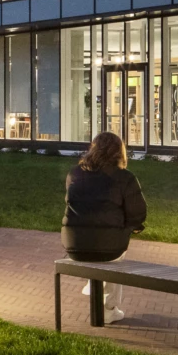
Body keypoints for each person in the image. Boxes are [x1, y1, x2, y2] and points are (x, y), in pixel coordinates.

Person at [61, 132, 146, 324]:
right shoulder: (125, 178)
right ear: (119, 152)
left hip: (74, 243)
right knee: (113, 254)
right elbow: (138, 213)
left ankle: (94, 285)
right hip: (109, 247)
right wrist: (131, 226)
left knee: (104, 246)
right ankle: (108, 309)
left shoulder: (74, 174)